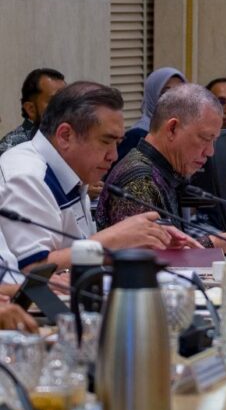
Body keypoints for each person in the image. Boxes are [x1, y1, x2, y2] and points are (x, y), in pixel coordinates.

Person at [0, 81, 189, 272]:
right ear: (65, 136)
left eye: (117, 143)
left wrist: (135, 241)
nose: (114, 156)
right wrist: (113, 239)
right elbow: (32, 270)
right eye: (106, 141)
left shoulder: (70, 171)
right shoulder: (28, 177)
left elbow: (77, 255)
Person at [97, 84, 226, 252]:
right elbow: (150, 259)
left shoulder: (164, 170)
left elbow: (171, 246)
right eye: (205, 138)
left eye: (214, 141)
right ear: (172, 129)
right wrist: (219, 241)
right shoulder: (140, 180)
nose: (210, 152)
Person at [115, 67, 186, 164]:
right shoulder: (137, 136)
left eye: (180, 92)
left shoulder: (181, 133)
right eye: (167, 93)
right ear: (152, 95)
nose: (175, 99)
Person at [0, 68, 66, 157]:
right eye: (55, 101)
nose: (65, 107)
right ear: (31, 109)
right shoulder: (11, 149)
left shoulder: (69, 140)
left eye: (67, 100)